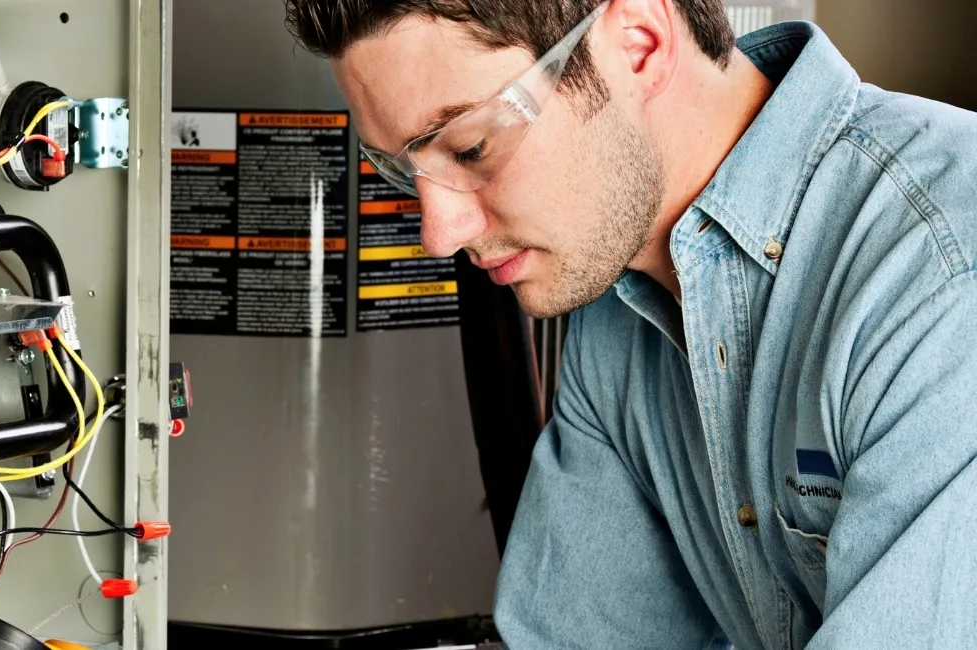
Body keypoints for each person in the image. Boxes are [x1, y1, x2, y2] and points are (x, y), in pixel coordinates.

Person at [283, 0, 977, 647]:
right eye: (404, 169)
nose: (439, 233)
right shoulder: (621, 301)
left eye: (471, 149)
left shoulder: (943, 272)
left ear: (638, 44)